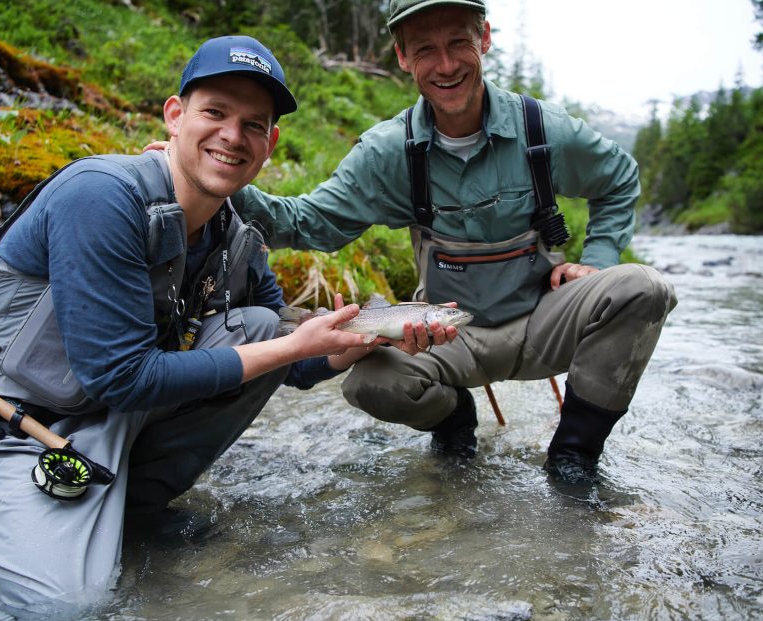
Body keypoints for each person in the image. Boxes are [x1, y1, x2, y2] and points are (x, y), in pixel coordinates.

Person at [0, 35, 400, 617]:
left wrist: (345, 347)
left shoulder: (237, 231)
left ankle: (131, 506)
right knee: (55, 615)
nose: (232, 136)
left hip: (116, 414)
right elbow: (119, 376)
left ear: (270, 143)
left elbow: (287, 361)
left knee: (262, 324)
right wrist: (290, 347)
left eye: (253, 125)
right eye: (215, 113)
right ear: (175, 117)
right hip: (16, 420)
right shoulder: (100, 196)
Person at [227, 0, 678, 481]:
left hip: (545, 318)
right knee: (371, 384)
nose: (445, 65)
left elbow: (619, 177)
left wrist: (600, 257)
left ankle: (574, 459)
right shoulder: (387, 152)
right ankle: (455, 421)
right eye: (425, 49)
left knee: (643, 287)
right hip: (446, 332)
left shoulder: (543, 130)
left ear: (484, 39)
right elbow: (310, 221)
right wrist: (222, 185)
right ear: (402, 56)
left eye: (459, 43)